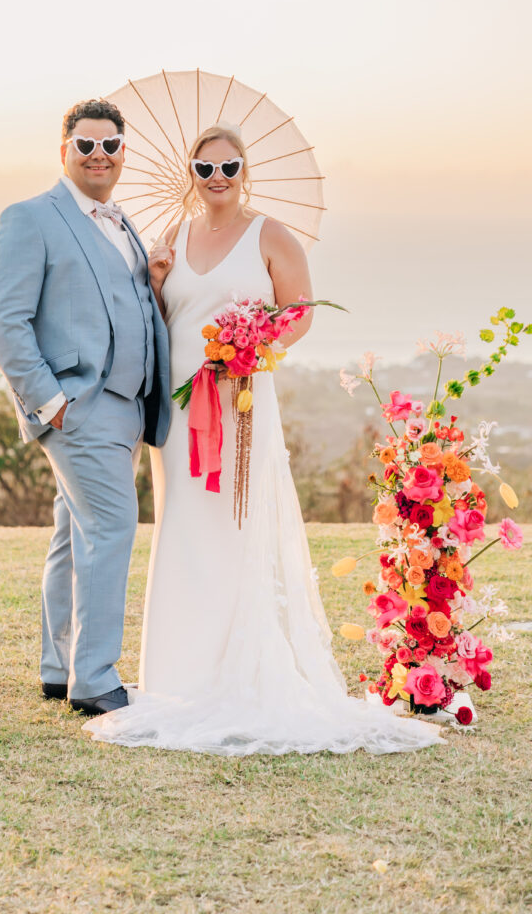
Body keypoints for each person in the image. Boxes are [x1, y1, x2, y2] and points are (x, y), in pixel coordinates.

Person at [84, 124, 444, 754]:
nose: (216, 179)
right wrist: (157, 281)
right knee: (183, 526)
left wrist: (254, 350)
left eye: (228, 168)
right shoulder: (172, 236)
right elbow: (166, 317)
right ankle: (178, 673)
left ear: (244, 172)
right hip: (181, 406)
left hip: (243, 399)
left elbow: (299, 311)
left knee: (237, 524)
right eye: (205, 168)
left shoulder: (271, 234)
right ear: (190, 172)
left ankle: (240, 666)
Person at [0, 98, 170, 715]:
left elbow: (117, 300)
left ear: (123, 154)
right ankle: (94, 680)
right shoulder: (29, 218)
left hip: (126, 407)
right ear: (63, 149)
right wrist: (52, 401)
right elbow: (5, 319)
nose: (98, 156)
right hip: (80, 406)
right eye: (86, 145)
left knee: (74, 533)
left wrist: (153, 276)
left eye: (110, 146)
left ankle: (60, 666)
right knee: (112, 529)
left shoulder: (121, 222)